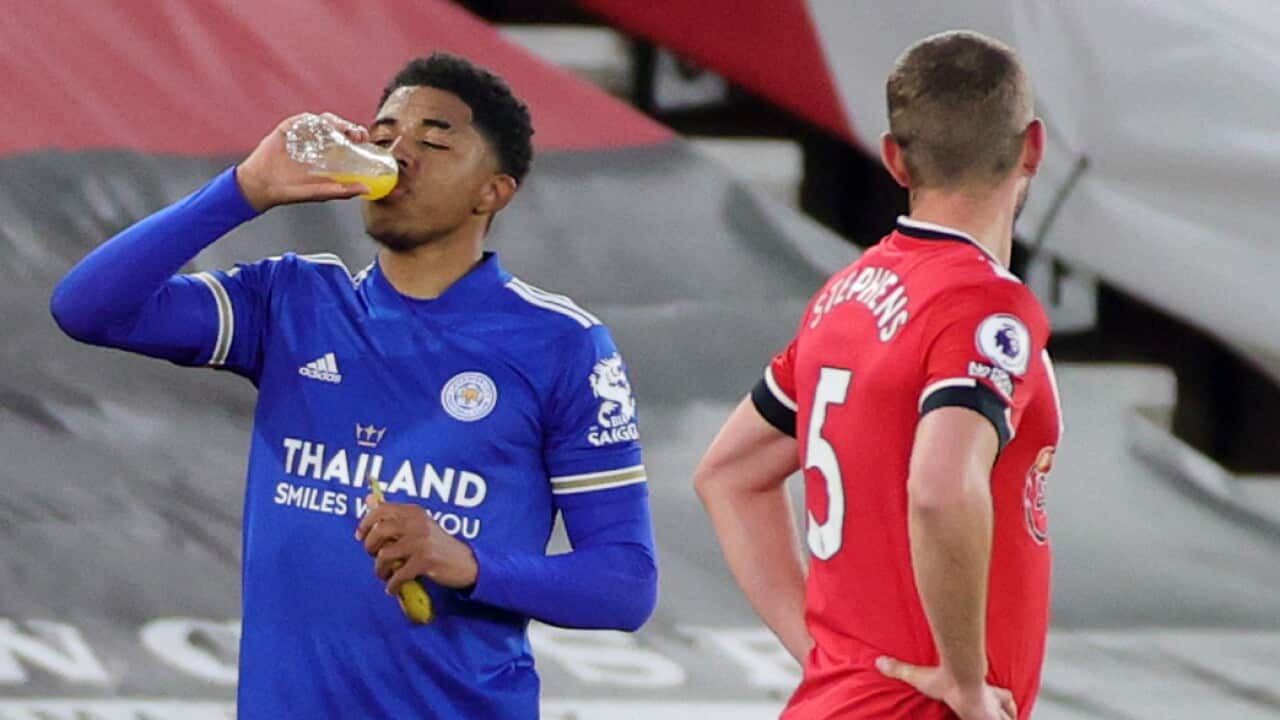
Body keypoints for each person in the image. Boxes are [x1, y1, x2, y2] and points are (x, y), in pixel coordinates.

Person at [50, 53, 656, 719]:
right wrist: (245, 187)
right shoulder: (293, 301)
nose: (400, 152)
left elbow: (624, 584)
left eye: (433, 139)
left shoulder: (561, 343)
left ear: (493, 192)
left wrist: (472, 563)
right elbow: (87, 309)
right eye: (384, 133)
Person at [693, 31, 1062, 720]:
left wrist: (825, 660)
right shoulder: (986, 306)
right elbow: (940, 489)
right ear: (1033, 147)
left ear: (894, 158)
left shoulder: (846, 294)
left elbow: (728, 474)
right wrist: (963, 682)